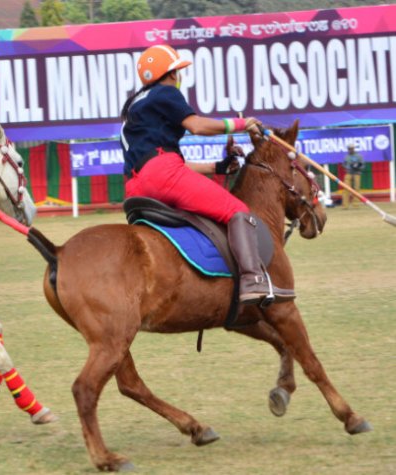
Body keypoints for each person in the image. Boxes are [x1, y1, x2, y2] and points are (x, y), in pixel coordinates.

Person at [120, 44, 295, 306]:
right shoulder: (165, 92)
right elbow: (197, 126)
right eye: (177, 72)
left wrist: (218, 167)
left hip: (136, 185)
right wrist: (240, 124)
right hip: (163, 175)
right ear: (171, 74)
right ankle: (251, 279)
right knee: (237, 210)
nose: (178, 78)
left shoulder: (134, 104)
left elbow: (165, 162)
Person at [342, 143, 364, 209]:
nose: (350, 150)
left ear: (354, 149)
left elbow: (363, 165)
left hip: (357, 173)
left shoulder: (358, 156)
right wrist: (349, 166)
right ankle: (345, 205)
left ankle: (356, 205)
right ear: (348, 149)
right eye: (349, 149)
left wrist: (357, 166)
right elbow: (344, 165)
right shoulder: (347, 157)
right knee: (346, 188)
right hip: (349, 173)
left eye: (352, 148)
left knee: (357, 189)